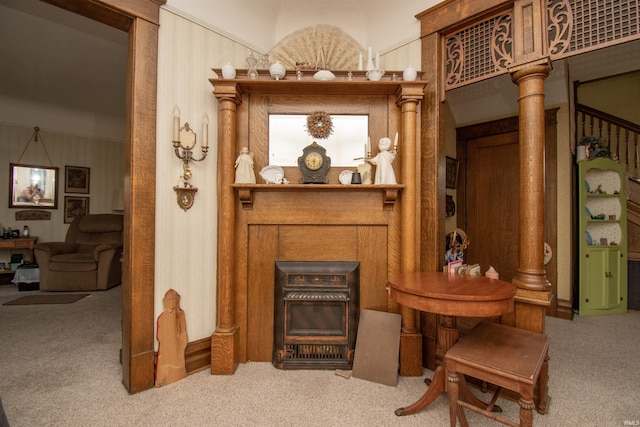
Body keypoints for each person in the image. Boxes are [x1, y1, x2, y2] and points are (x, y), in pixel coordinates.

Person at [155, 289, 188, 387]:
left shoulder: (181, 314)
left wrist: (182, 341)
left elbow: (183, 332)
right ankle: (164, 378)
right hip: (167, 347)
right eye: (169, 299)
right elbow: (161, 336)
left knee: (178, 357)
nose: (172, 302)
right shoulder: (162, 318)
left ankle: (178, 370)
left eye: (174, 299)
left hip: (178, 347)